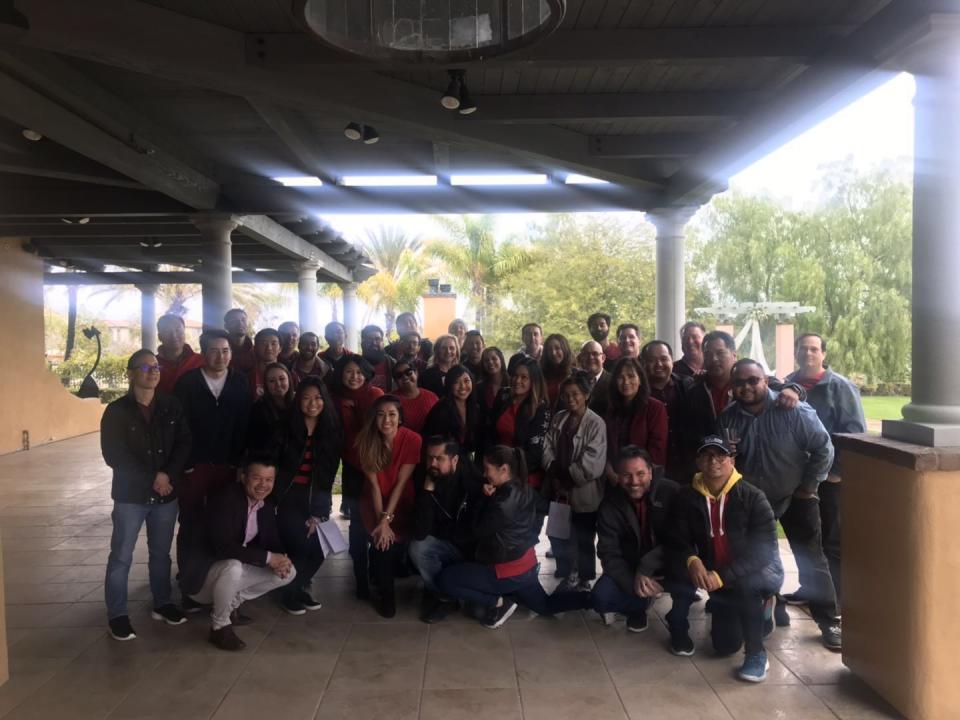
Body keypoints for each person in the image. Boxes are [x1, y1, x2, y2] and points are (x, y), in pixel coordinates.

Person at [717, 358, 842, 650]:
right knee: (756, 556)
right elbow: (722, 459)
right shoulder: (728, 418)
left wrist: (808, 487)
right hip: (751, 501)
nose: (746, 387)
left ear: (766, 380)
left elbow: (824, 448)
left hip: (796, 497)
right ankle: (776, 604)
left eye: (753, 380)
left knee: (811, 558)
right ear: (732, 387)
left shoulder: (793, 410)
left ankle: (828, 620)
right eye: (739, 382)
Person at [667, 436, 784, 682]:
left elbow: (763, 552)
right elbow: (677, 536)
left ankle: (756, 654)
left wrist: (722, 576)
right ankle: (758, 615)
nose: (714, 461)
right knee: (724, 646)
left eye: (720, 456)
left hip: (757, 571)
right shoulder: (686, 496)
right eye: (707, 455)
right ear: (698, 461)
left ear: (732, 461)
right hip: (717, 574)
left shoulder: (753, 497)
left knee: (747, 587)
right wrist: (692, 560)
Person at [436, 445, 590, 628]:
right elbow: (547, 508)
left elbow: (475, 530)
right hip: (526, 566)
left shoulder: (501, 503)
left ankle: (498, 601)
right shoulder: (526, 488)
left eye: (487, 469)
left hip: (505, 572)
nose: (484, 475)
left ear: (504, 469)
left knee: (445, 580)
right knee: (545, 606)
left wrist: (483, 498)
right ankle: (590, 600)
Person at [100, 349, 191, 641]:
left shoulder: (171, 405)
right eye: (145, 367)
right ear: (130, 373)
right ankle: (117, 614)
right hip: (130, 496)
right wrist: (154, 478)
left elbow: (184, 443)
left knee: (161, 554)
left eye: (156, 367)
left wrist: (168, 475)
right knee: (121, 556)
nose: (152, 372)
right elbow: (115, 455)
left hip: (165, 496)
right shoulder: (116, 411)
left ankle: (162, 603)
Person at [179, 454, 296, 651]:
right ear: (243, 477)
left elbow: (272, 540)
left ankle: (232, 602)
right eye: (257, 478)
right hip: (200, 580)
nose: (263, 485)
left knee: (289, 573)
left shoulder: (265, 504)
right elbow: (223, 547)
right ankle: (220, 625)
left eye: (269, 480)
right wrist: (269, 558)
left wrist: (282, 559)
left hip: (228, 572)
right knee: (233, 566)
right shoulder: (226, 499)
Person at [783, 333, 866, 607]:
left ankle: (836, 599)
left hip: (829, 480)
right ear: (796, 352)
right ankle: (810, 590)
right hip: (798, 480)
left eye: (814, 349)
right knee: (805, 538)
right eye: (803, 348)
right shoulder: (788, 384)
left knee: (831, 539)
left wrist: (836, 472)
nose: (808, 353)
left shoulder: (841, 387)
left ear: (823, 354)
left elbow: (855, 433)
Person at [173, 329, 251, 594]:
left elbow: (245, 425)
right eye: (214, 351)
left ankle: (222, 580)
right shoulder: (187, 383)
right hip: (196, 466)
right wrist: (187, 463)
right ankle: (189, 581)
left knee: (225, 522)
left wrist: (241, 463)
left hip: (229, 467)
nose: (221, 356)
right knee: (191, 521)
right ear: (203, 353)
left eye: (226, 351)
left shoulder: (240, 382)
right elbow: (179, 426)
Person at [675, 331, 801, 484]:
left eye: (720, 353)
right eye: (708, 354)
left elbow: (778, 386)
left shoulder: (752, 383)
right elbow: (686, 435)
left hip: (753, 471)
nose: (714, 359)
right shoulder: (694, 392)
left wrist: (793, 389)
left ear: (734, 355)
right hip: (711, 472)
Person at [591, 446, 681, 633]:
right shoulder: (610, 502)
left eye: (640, 473)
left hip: (671, 564)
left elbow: (681, 541)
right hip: (631, 569)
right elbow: (608, 552)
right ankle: (639, 606)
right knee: (601, 597)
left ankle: (679, 623)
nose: (634, 482)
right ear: (617, 475)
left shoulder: (672, 492)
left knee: (691, 577)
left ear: (650, 471)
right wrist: (634, 583)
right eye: (626, 475)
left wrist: (646, 568)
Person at [272, 377, 342, 614]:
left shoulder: (330, 429)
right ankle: (287, 593)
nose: (313, 403)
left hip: (314, 498)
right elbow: (272, 465)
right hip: (286, 498)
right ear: (298, 400)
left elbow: (328, 475)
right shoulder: (284, 426)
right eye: (306, 397)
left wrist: (319, 514)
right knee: (301, 544)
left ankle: (296, 586)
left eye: (318, 397)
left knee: (323, 546)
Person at [356, 395, 423, 617]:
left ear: (400, 418)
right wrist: (381, 522)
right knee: (382, 542)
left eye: (392, 414)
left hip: (402, 500)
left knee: (396, 542)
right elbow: (374, 486)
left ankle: (384, 571)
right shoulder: (365, 441)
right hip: (374, 501)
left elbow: (401, 484)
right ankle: (386, 595)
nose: (386, 420)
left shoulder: (413, 439)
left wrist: (386, 520)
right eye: (381, 414)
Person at [541, 374, 607, 591]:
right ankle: (566, 570)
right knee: (560, 533)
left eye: (576, 394)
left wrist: (567, 478)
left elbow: (593, 461)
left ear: (586, 395)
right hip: (559, 489)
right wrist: (553, 471)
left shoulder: (596, 423)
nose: (570, 399)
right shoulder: (559, 418)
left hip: (583, 491)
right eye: (566, 395)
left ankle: (585, 577)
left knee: (584, 537)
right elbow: (547, 446)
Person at [409, 436, 483, 623]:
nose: (432, 463)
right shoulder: (425, 479)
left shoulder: (473, 483)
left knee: (480, 611)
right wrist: (427, 491)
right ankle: (444, 597)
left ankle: (454, 586)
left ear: (454, 460)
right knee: (418, 548)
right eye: (429, 458)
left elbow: (476, 530)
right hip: (445, 544)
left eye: (439, 458)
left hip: (471, 551)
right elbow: (420, 532)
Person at [328, 354, 384, 592]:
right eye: (349, 372)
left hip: (377, 466)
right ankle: (360, 577)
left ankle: (377, 572)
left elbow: (380, 429)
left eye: (359, 372)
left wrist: (358, 411)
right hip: (352, 468)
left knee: (379, 517)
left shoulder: (376, 396)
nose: (354, 377)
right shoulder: (333, 399)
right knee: (358, 524)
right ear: (341, 374)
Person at [487, 356, 551, 490]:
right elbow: (490, 433)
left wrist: (506, 473)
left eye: (524, 377)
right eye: (515, 375)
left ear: (533, 381)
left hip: (522, 476)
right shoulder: (503, 395)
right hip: (495, 470)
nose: (517, 381)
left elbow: (534, 455)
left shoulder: (540, 408)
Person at [603, 357, 668, 483]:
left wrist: (637, 476)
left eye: (631, 376)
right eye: (621, 377)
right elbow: (606, 446)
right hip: (614, 477)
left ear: (640, 380)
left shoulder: (655, 408)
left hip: (644, 478)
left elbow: (657, 450)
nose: (626, 381)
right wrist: (609, 470)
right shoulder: (611, 410)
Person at [642, 340, 690, 482]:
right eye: (652, 360)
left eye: (664, 359)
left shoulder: (688, 386)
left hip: (686, 466)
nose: (659, 364)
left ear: (672, 361)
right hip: (652, 469)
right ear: (643, 363)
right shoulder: (638, 394)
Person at [422, 365, 482, 462]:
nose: (462, 386)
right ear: (449, 385)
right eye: (456, 382)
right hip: (443, 460)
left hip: (464, 459)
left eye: (466, 381)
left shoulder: (475, 407)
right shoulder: (441, 409)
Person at [245, 362, 295, 453]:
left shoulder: (299, 403)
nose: (278, 384)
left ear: (289, 379)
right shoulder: (258, 409)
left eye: (282, 379)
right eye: (272, 381)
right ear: (266, 385)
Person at [155, 313, 204, 395]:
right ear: (160, 337)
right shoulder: (153, 365)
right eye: (167, 331)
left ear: (184, 332)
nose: (174, 336)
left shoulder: (201, 361)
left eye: (178, 330)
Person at [392, 360, 439, 435]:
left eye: (408, 372)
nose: (405, 377)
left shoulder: (432, 397)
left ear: (416, 373)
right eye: (399, 375)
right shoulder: (390, 400)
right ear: (395, 381)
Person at [540, 333, 574, 409]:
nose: (553, 353)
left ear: (565, 349)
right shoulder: (540, 373)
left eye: (557, 348)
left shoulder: (575, 375)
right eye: (549, 349)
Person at [580, 340, 612, 418]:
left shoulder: (613, 382)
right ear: (581, 358)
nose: (590, 357)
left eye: (595, 354)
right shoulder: (576, 380)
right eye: (586, 354)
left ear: (603, 358)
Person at [248, 328, 282, 400]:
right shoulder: (247, 378)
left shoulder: (289, 376)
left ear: (280, 349)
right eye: (263, 343)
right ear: (255, 348)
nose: (269, 348)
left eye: (273, 343)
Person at [361, 324, 396, 392]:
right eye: (369, 339)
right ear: (362, 343)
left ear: (383, 342)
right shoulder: (356, 365)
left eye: (377, 339)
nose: (374, 343)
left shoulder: (393, 364)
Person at [476, 347, 508, 416]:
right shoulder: (479, 388)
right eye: (486, 360)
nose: (490, 362)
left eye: (494, 358)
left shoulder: (513, 383)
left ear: (501, 360)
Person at [224, 308, 255, 373]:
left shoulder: (256, 351)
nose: (240, 323)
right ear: (226, 326)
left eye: (243, 320)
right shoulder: (220, 351)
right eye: (234, 321)